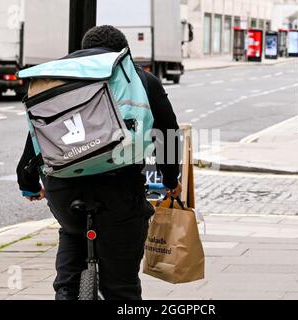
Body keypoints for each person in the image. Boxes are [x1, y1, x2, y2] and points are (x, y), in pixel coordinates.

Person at [16, 25, 182, 300]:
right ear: (122, 52)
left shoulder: (59, 79)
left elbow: (36, 136)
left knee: (72, 230)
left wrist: (29, 185)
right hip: (119, 188)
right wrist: (169, 180)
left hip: (63, 187)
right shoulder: (139, 78)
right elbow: (167, 133)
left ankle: (67, 291)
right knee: (121, 287)